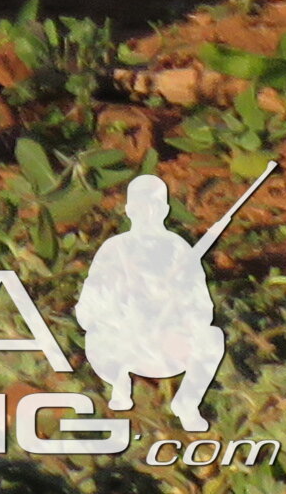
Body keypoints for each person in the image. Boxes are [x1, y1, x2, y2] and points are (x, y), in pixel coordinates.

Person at [74, 171, 227, 432]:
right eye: (141, 206)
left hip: (167, 339)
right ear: (129, 209)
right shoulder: (114, 249)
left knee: (212, 338)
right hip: (124, 339)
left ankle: (187, 403)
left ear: (164, 208)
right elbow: (88, 307)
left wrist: (176, 302)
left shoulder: (178, 248)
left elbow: (202, 306)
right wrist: (126, 300)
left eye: (154, 205)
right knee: (99, 337)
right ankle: (120, 386)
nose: (148, 212)